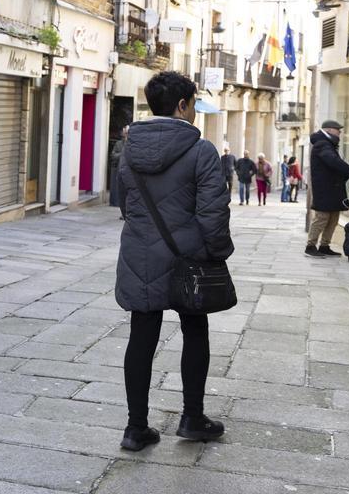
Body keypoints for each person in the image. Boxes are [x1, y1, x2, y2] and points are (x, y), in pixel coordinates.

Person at [115, 71, 233, 452]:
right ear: (182, 106)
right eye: (194, 104)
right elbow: (213, 214)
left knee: (141, 337)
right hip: (189, 258)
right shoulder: (202, 151)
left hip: (140, 256)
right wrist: (217, 254)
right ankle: (193, 418)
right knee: (195, 330)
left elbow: (126, 202)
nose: (195, 112)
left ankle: (136, 429)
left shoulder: (129, 149)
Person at [307, 119, 349, 257]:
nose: (340, 133)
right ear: (329, 130)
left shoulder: (328, 144)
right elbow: (334, 162)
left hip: (332, 188)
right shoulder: (322, 145)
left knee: (333, 218)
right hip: (324, 189)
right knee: (322, 217)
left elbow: (337, 162)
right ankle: (310, 246)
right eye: (338, 130)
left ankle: (324, 245)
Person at [110, 125, 130, 217]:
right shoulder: (118, 143)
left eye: (127, 133)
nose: (125, 134)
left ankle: (126, 212)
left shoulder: (132, 143)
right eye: (125, 132)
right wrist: (122, 154)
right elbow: (113, 155)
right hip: (119, 169)